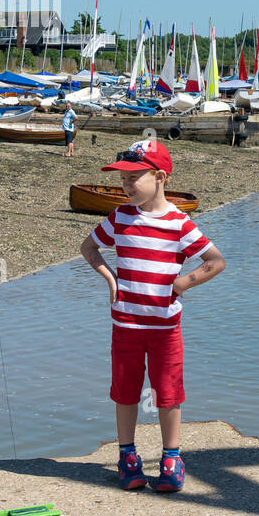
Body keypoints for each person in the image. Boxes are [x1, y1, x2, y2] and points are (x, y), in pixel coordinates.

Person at [79, 140, 225, 491]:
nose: (126, 186)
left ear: (160, 177)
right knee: (125, 392)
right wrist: (109, 278)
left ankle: (171, 456)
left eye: (134, 178)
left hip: (165, 328)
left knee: (168, 393)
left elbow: (215, 261)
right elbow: (88, 247)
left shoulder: (179, 223)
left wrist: (180, 285)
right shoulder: (120, 217)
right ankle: (127, 456)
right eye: (122, 180)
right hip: (125, 325)